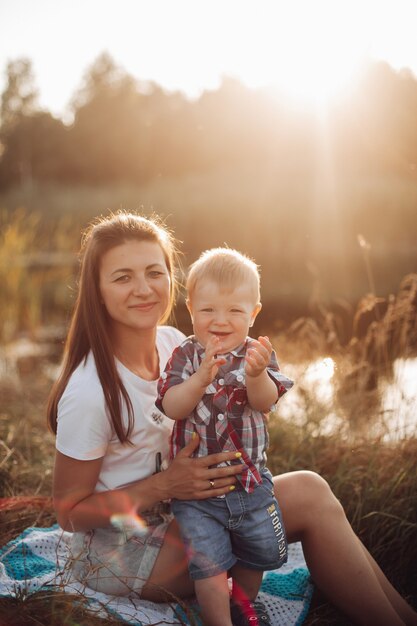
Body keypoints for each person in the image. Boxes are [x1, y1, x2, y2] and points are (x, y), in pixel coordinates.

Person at [47, 211, 417, 626]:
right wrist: (164, 485)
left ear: (173, 280)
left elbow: (237, 401)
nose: (144, 288)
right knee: (310, 496)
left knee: (312, 492)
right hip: (123, 549)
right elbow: (69, 513)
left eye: (155, 272)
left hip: (190, 508)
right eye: (122, 277)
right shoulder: (91, 390)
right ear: (95, 290)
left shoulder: (175, 344)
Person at [156, 247, 293, 626]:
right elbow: (172, 407)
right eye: (208, 310)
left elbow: (264, 403)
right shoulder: (184, 355)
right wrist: (199, 379)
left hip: (250, 485)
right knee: (209, 566)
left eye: (234, 311)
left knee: (256, 555)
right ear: (190, 308)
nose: (220, 320)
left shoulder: (258, 355)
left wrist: (256, 375)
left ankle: (243, 606)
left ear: (254, 313)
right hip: (198, 495)